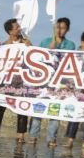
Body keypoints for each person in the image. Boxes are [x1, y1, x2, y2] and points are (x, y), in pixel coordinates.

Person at [29, 17, 76, 147]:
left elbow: (70, 62)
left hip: (59, 83)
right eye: (58, 27)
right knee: (38, 110)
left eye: (63, 28)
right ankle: (33, 135)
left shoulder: (70, 45)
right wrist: (48, 51)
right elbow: (37, 59)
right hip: (44, 82)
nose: (60, 30)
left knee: (55, 111)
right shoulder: (45, 41)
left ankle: (51, 137)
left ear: (67, 29)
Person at [0, 18, 30, 142]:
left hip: (20, 80)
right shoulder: (4, 46)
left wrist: (29, 47)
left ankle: (21, 134)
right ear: (10, 32)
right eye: (16, 28)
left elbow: (32, 58)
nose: (19, 29)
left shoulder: (25, 44)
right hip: (5, 80)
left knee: (22, 107)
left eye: (19, 26)